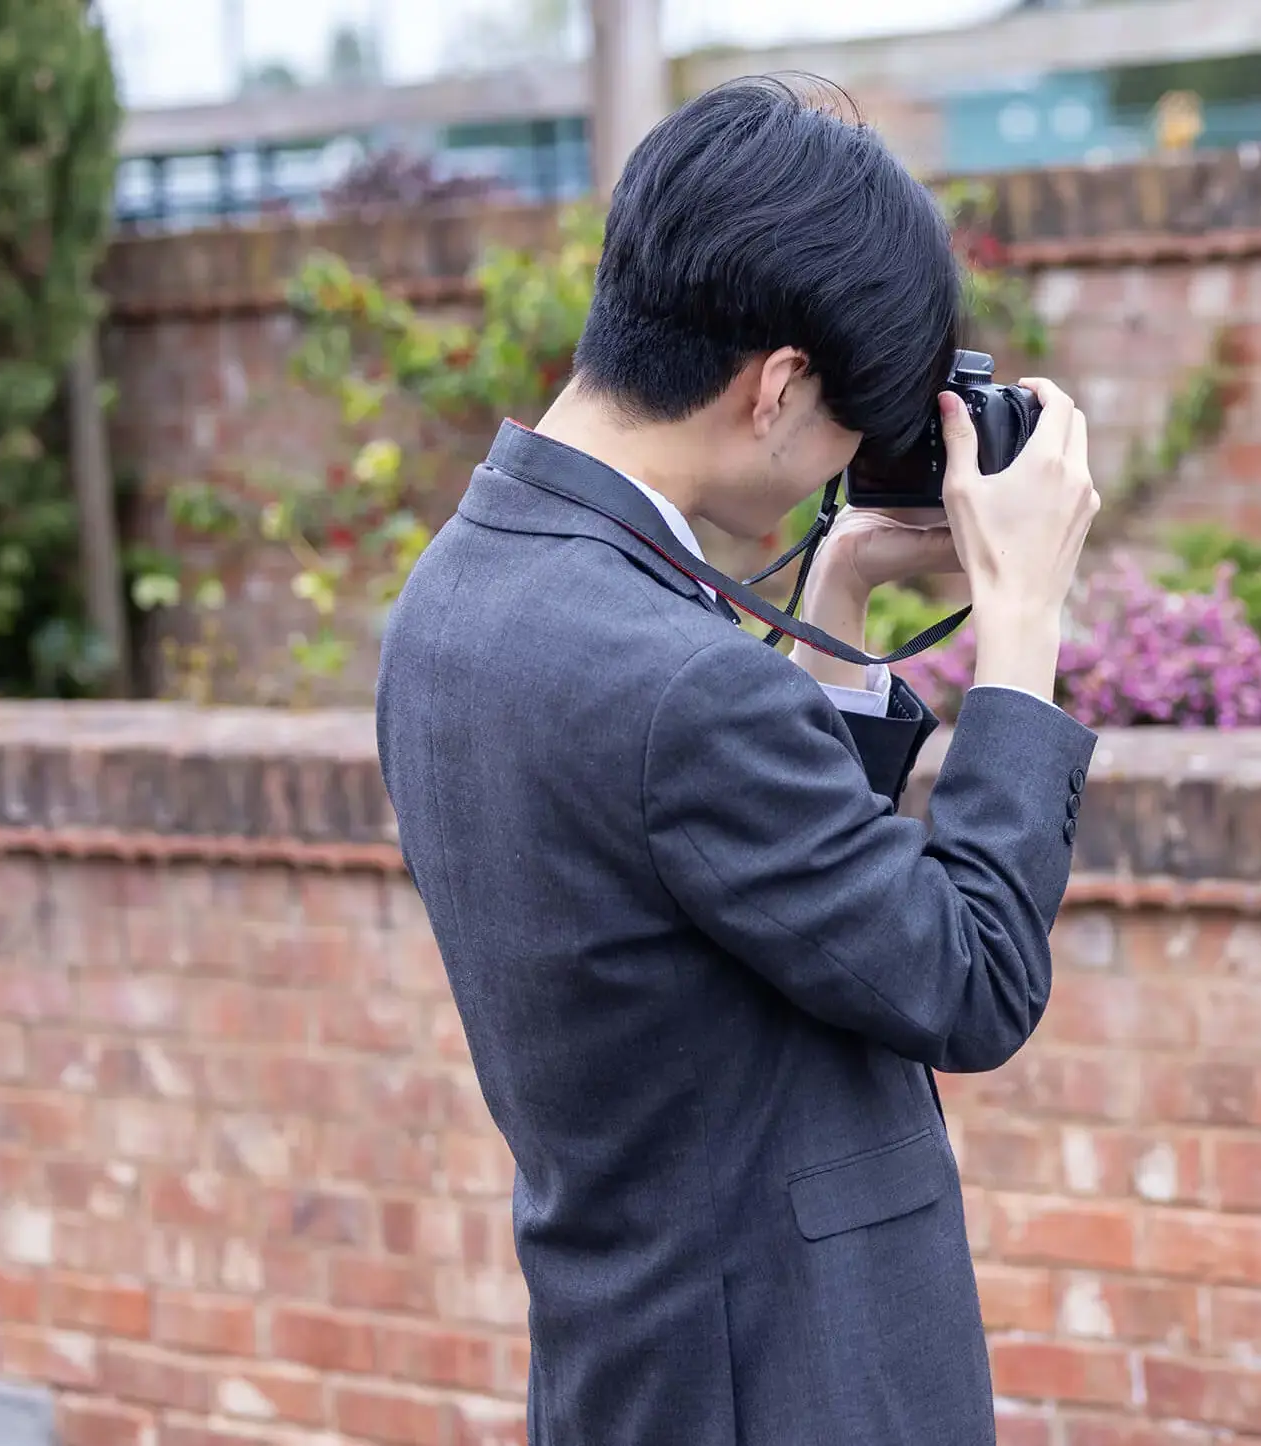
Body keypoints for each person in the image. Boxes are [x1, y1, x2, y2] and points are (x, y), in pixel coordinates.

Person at [372, 75, 1101, 1446]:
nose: (848, 455)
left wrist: (834, 604)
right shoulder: (677, 673)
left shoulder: (454, 598)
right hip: (795, 1386)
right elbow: (970, 975)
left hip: (631, 1371)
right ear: (774, 388)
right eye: (845, 422)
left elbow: (736, 899)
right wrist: (1020, 629)